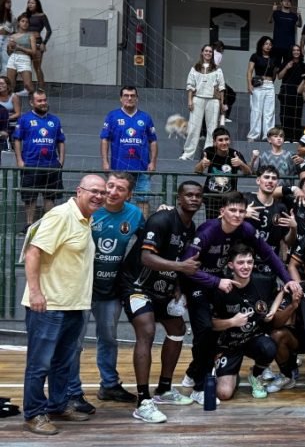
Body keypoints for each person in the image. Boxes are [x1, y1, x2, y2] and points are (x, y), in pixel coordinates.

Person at [180, 191, 299, 404]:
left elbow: (269, 254)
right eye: (232, 210)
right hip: (199, 283)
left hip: (221, 282)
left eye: (241, 211)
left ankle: (199, 371)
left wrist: (287, 279)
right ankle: (199, 385)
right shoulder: (208, 231)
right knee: (204, 329)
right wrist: (211, 282)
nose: (237, 215)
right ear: (222, 211)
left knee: (224, 333)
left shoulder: (245, 229)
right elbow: (186, 267)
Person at [21, 175, 105, 435]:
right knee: (39, 364)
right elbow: (33, 252)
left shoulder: (86, 220)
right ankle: (34, 413)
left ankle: (58, 405)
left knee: (62, 363)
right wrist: (35, 292)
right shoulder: (60, 215)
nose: (99, 196)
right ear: (79, 191)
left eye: (102, 192)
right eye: (93, 191)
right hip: (48, 305)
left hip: (74, 306)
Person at [119, 181, 203, 423]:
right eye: (189, 195)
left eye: (198, 195)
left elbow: (176, 259)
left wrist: (177, 285)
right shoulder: (161, 220)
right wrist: (181, 268)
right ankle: (143, 401)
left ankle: (164, 389)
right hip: (136, 286)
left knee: (178, 329)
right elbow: (146, 258)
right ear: (179, 198)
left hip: (163, 289)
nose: (194, 199)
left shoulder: (190, 227)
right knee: (146, 330)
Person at [66, 173, 145, 413]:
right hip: (81, 289)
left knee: (109, 338)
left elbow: (150, 238)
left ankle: (109, 385)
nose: (112, 192)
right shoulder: (90, 210)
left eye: (120, 188)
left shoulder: (134, 214)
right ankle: (72, 391)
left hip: (110, 290)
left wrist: (165, 214)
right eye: (110, 186)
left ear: (129, 194)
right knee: (75, 342)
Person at [210, 244, 285, 401]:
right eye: (240, 262)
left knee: (269, 348)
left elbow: (281, 290)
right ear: (231, 265)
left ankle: (255, 375)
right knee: (224, 394)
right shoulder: (221, 288)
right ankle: (231, 374)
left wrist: (272, 310)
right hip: (229, 343)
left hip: (253, 338)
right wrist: (232, 322)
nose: (246, 266)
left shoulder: (263, 281)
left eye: (249, 262)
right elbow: (211, 324)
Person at [100, 86, 158, 217]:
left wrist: (153, 162)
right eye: (126, 95)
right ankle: (118, 226)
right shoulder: (112, 116)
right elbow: (105, 139)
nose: (129, 98)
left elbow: (153, 141)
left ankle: (141, 227)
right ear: (121, 98)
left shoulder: (145, 117)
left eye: (132, 95)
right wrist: (105, 162)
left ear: (137, 98)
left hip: (142, 168)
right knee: (117, 198)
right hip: (119, 169)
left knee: (143, 199)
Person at [269, 255, 305, 389]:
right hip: (301, 338)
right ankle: (287, 375)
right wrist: (293, 306)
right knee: (277, 335)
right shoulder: (295, 289)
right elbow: (275, 323)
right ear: (304, 271)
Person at [13, 88, 64, 230]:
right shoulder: (24, 119)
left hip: (51, 164)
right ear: (31, 102)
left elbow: (61, 141)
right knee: (30, 197)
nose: (43, 103)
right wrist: (19, 160)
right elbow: (17, 139)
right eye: (39, 100)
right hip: (31, 164)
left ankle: (48, 226)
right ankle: (30, 225)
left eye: (44, 100)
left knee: (50, 197)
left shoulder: (55, 120)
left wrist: (61, 160)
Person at [243, 165, 297, 273]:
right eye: (266, 177)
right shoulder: (245, 199)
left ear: (277, 183)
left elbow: (288, 241)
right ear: (258, 180)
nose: (270, 181)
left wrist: (294, 228)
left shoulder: (281, 208)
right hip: (245, 263)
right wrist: (241, 213)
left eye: (274, 178)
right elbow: (223, 220)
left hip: (269, 265)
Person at [196, 127, 251, 219]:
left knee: (229, 222)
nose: (224, 142)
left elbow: (249, 172)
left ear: (230, 140)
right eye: (220, 140)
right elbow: (197, 170)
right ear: (214, 142)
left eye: (226, 139)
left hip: (230, 198)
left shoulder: (235, 154)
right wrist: (202, 163)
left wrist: (241, 164)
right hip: (211, 197)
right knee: (212, 223)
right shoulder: (208, 151)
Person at [182, 45, 225, 161]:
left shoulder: (217, 69)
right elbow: (190, 85)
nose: (208, 53)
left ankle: (208, 154)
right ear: (202, 52)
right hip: (197, 99)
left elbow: (221, 87)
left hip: (213, 100)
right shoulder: (195, 68)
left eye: (210, 51)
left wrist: (222, 103)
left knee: (212, 128)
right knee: (193, 127)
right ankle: (188, 153)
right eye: (206, 51)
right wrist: (190, 100)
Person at [246, 36, 278, 142]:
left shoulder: (274, 58)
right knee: (256, 110)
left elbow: (274, 73)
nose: (268, 46)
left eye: (270, 44)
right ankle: (253, 135)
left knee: (269, 112)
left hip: (270, 85)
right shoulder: (255, 56)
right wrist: (249, 85)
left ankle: (268, 135)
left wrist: (270, 82)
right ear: (261, 45)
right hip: (258, 85)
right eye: (266, 44)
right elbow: (249, 71)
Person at [277, 45, 305, 139]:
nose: (296, 52)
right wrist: (286, 67)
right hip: (286, 91)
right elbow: (279, 77)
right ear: (291, 52)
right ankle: (286, 137)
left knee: (297, 115)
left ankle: (296, 137)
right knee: (285, 115)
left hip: (298, 92)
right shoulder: (286, 62)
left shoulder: (303, 65)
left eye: (298, 50)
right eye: (294, 50)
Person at [5, 14, 37, 95]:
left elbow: (34, 52)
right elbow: (9, 53)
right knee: (10, 86)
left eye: (27, 22)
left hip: (24, 58)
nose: (25, 23)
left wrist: (19, 47)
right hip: (13, 58)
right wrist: (9, 47)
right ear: (18, 23)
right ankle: (12, 102)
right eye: (23, 21)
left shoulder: (31, 35)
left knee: (29, 86)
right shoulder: (12, 36)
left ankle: (35, 101)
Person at [24, 0, 50, 89]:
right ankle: (28, 89)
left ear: (37, 5)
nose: (30, 4)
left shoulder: (42, 15)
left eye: (32, 3)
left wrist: (44, 43)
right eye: (29, 3)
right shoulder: (25, 15)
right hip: (25, 42)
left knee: (37, 67)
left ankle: (41, 89)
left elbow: (49, 31)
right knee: (25, 67)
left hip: (37, 42)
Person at [269, 0, 301, 67]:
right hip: (277, 45)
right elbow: (269, 21)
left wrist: (299, 15)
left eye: (288, 1)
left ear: (291, 4)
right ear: (281, 3)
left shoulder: (293, 15)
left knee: (288, 66)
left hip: (289, 46)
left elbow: (299, 25)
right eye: (285, 0)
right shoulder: (277, 13)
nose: (287, 2)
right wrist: (273, 11)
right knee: (275, 67)